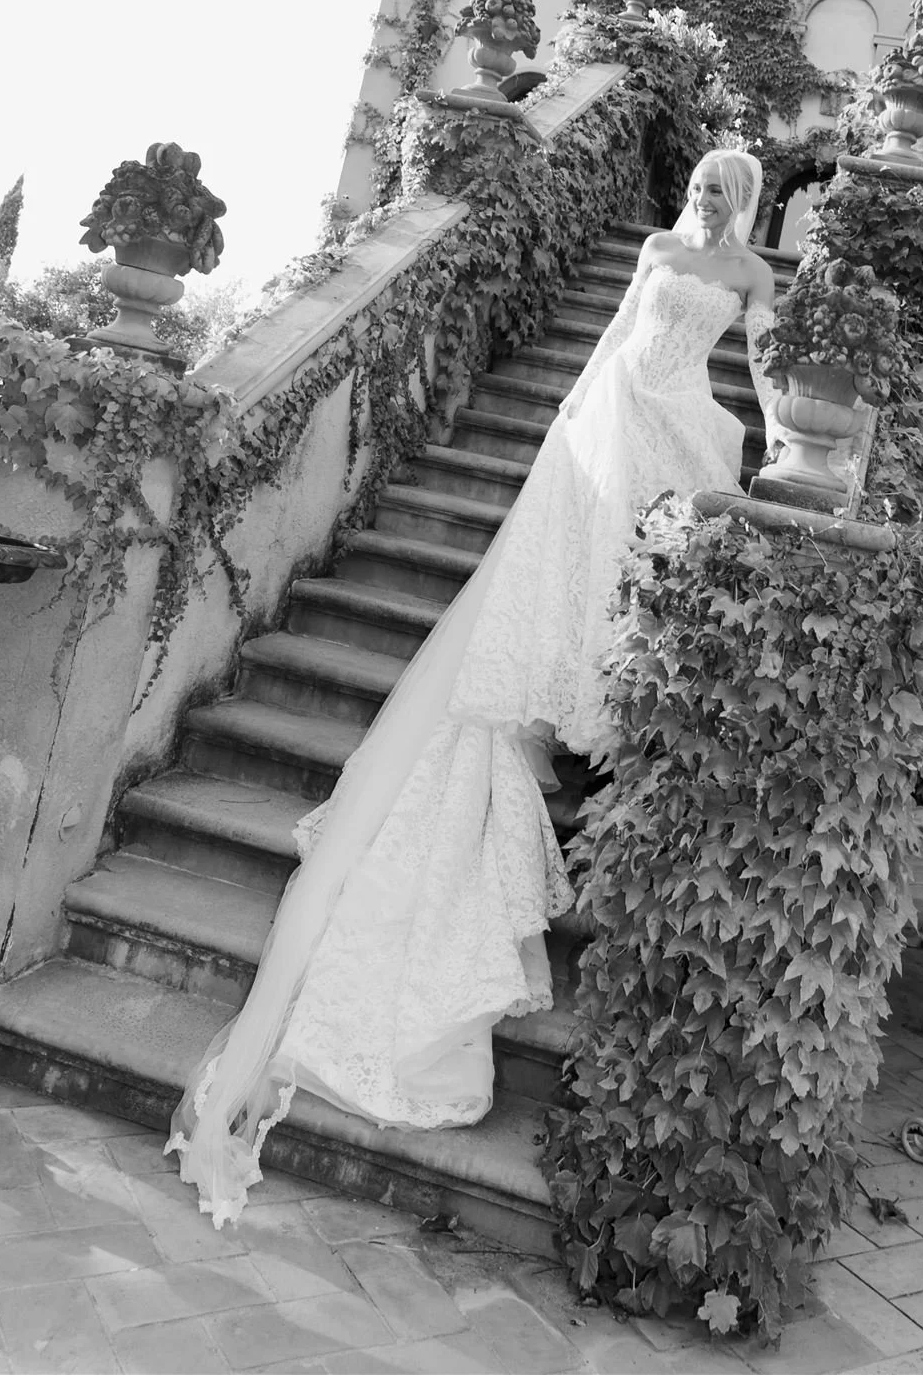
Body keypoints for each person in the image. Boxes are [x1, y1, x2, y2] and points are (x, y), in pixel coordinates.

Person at [168, 149, 779, 1226]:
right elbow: (613, 342)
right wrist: (568, 426)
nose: (704, 200)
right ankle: (563, 709)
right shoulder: (653, 246)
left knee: (646, 580)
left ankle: (610, 718)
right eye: (699, 186)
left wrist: (783, 446)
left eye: (721, 194)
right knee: (579, 577)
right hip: (615, 419)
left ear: (746, 204)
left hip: (682, 420)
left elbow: (768, 370)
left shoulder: (751, 275)